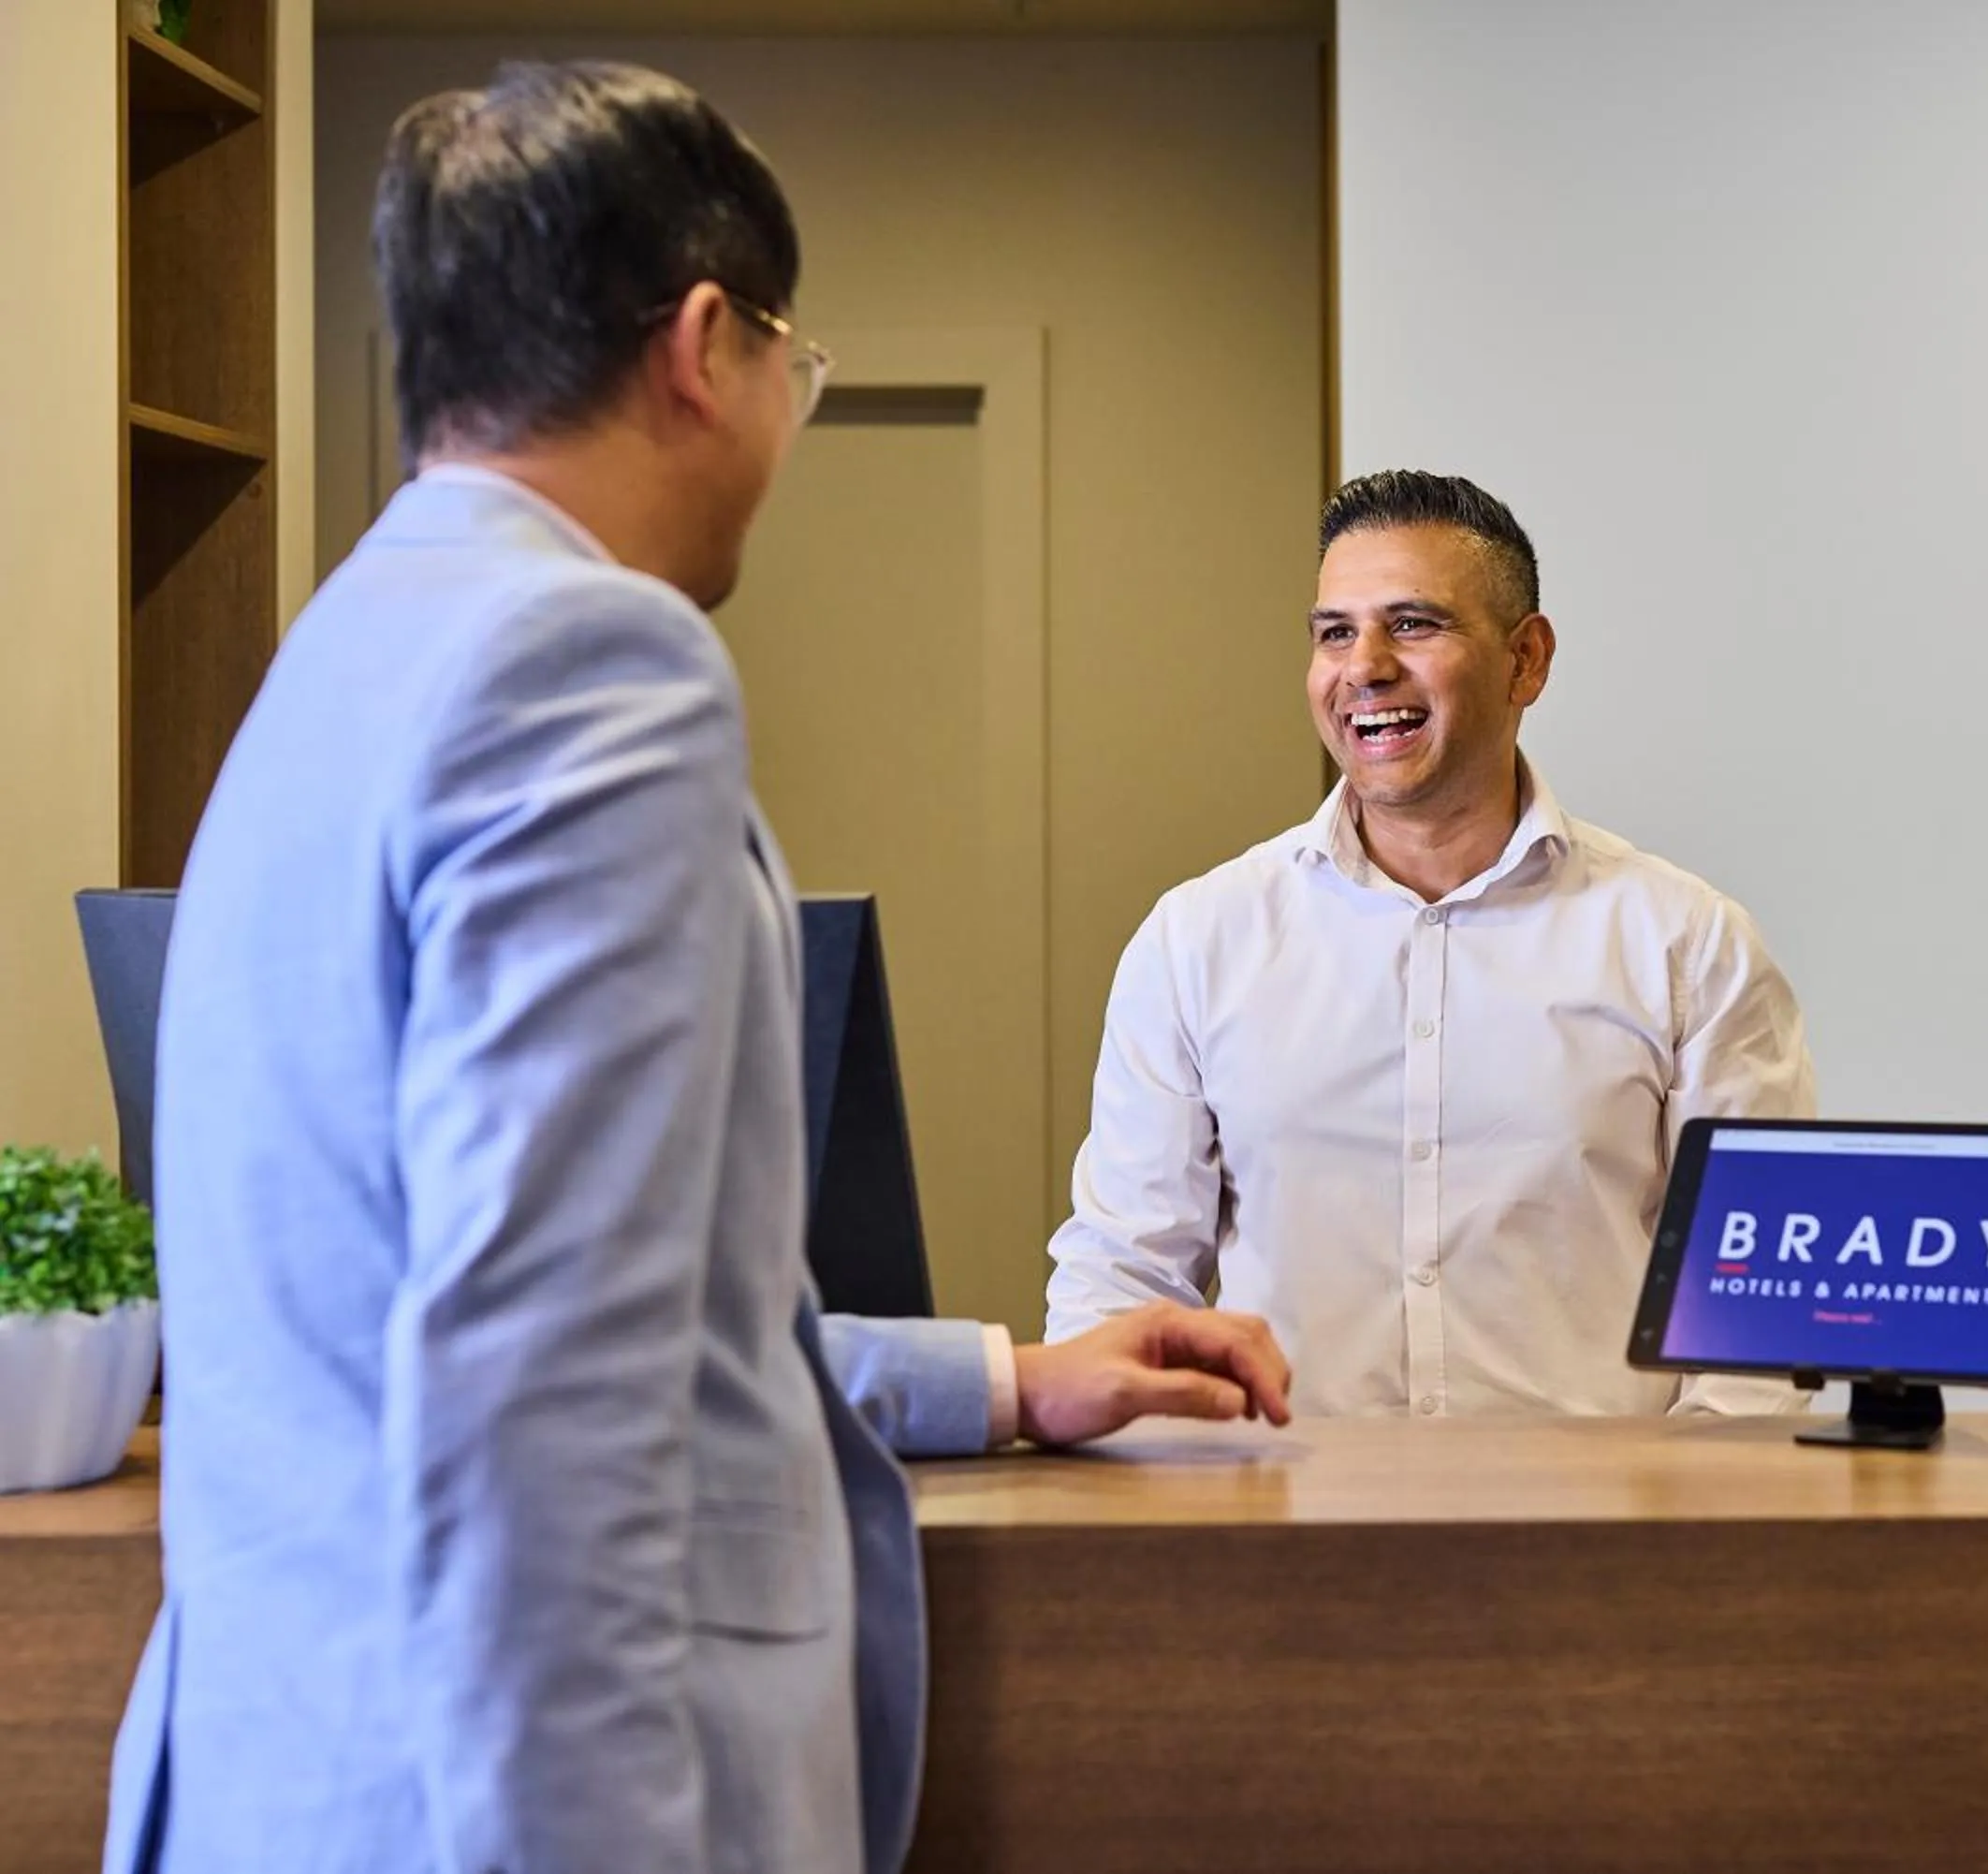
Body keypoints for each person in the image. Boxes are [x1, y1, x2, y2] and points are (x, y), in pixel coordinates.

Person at [104, 62, 1288, 1874]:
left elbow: (549, 1309)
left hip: (291, 1786)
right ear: (704, 342)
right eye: (789, 369)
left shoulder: (334, 658)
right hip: (498, 1807)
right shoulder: (586, 667)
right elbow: (545, 1408)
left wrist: (1007, 1378)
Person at [1044, 470, 1815, 1417]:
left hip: (1595, 1542)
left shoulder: (1689, 945)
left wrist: (1671, 1545)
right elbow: (1123, 1272)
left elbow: (1753, 1323)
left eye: (1413, 625)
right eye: (1335, 632)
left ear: (1525, 661)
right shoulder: (1199, 938)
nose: (1363, 666)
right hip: (1285, 1530)